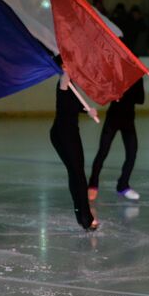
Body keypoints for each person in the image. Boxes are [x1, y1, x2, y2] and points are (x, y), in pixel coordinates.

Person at [50, 70, 98, 231]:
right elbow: (65, 78)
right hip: (63, 134)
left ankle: (81, 214)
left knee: (76, 173)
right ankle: (86, 218)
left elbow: (74, 107)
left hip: (69, 133)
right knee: (78, 174)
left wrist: (88, 111)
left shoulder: (73, 87)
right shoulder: (64, 83)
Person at [87, 78, 145, 201]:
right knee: (103, 151)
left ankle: (123, 185)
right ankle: (93, 184)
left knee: (132, 154)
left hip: (128, 121)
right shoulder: (116, 76)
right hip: (112, 119)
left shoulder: (137, 78)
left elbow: (141, 99)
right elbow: (104, 93)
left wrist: (126, 92)